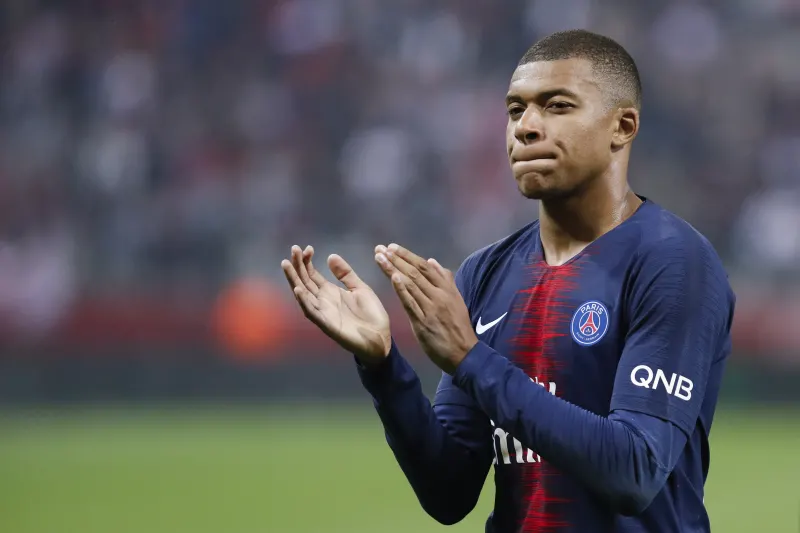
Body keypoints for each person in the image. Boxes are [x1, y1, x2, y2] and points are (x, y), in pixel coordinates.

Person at [281, 29, 735, 533]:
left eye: (557, 106)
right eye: (515, 110)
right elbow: (449, 491)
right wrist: (384, 367)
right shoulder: (486, 273)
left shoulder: (671, 262)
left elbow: (635, 470)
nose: (526, 127)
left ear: (622, 126)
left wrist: (472, 359)